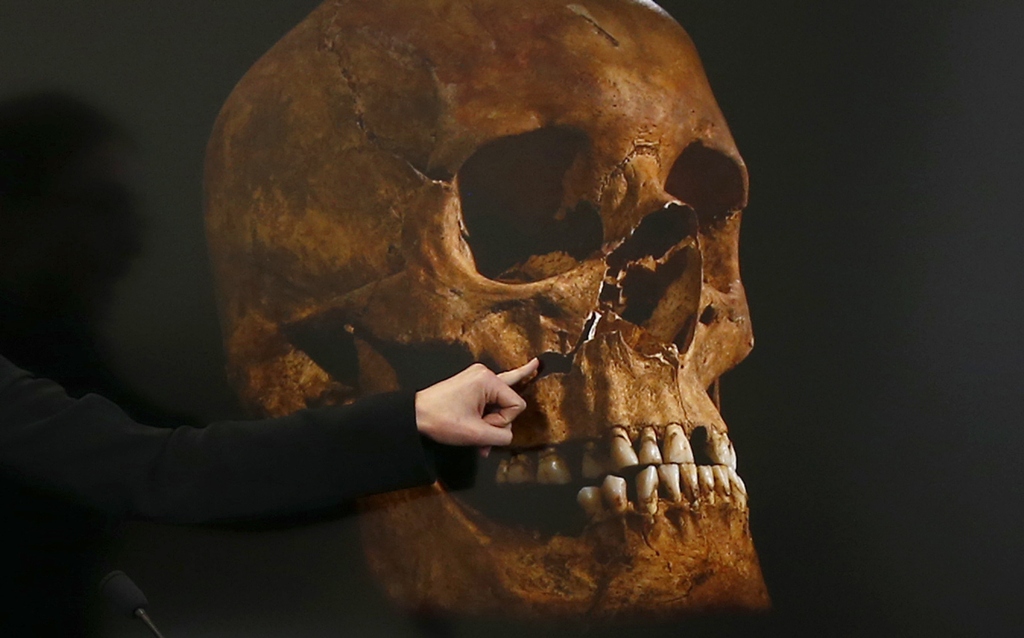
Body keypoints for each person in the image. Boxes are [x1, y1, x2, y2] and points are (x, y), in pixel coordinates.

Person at [0, 91, 541, 632]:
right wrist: (415, 423)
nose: (132, 238)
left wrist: (420, 430)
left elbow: (174, 471)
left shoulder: (63, 354)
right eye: (101, 206)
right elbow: (164, 474)